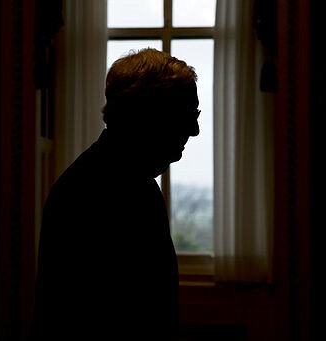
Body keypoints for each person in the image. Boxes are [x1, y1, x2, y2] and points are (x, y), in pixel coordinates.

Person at [29, 47, 200, 340]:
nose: (195, 130)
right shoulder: (96, 195)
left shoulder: (121, 181)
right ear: (149, 116)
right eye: (186, 115)